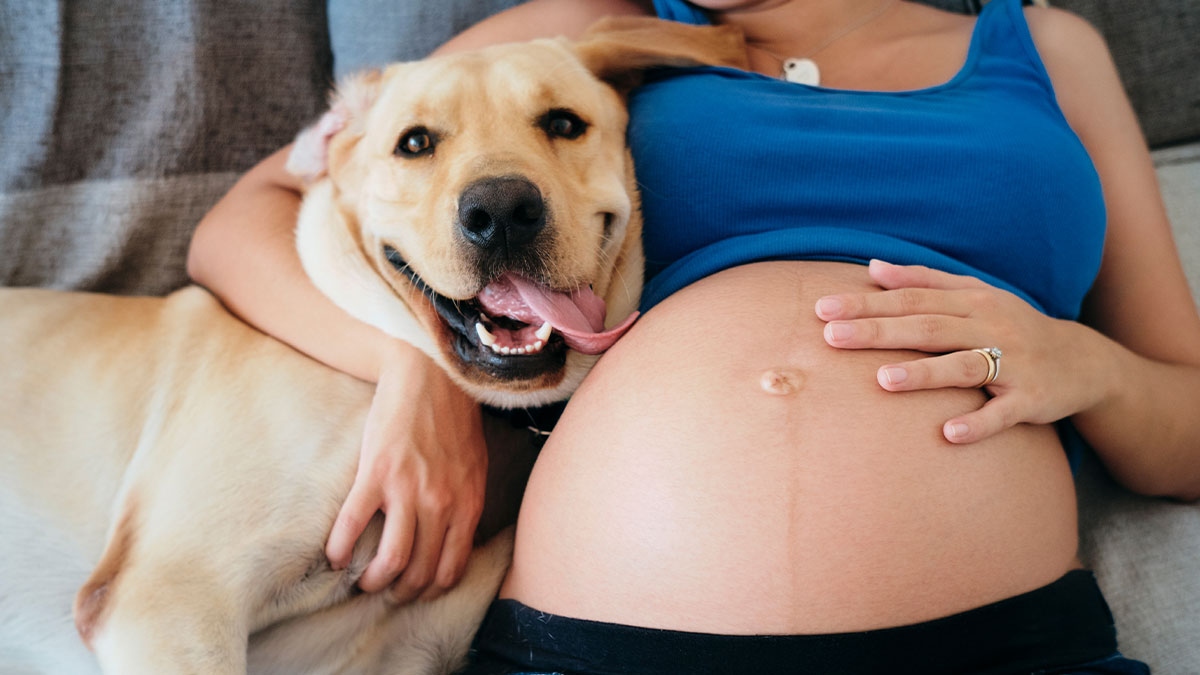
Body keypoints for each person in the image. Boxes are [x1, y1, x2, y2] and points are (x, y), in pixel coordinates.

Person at [188, 0, 1200, 671]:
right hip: (598, 643)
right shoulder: (590, 28)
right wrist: (416, 367)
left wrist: (1092, 368)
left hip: (995, 644)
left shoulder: (1049, 49)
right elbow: (248, 220)